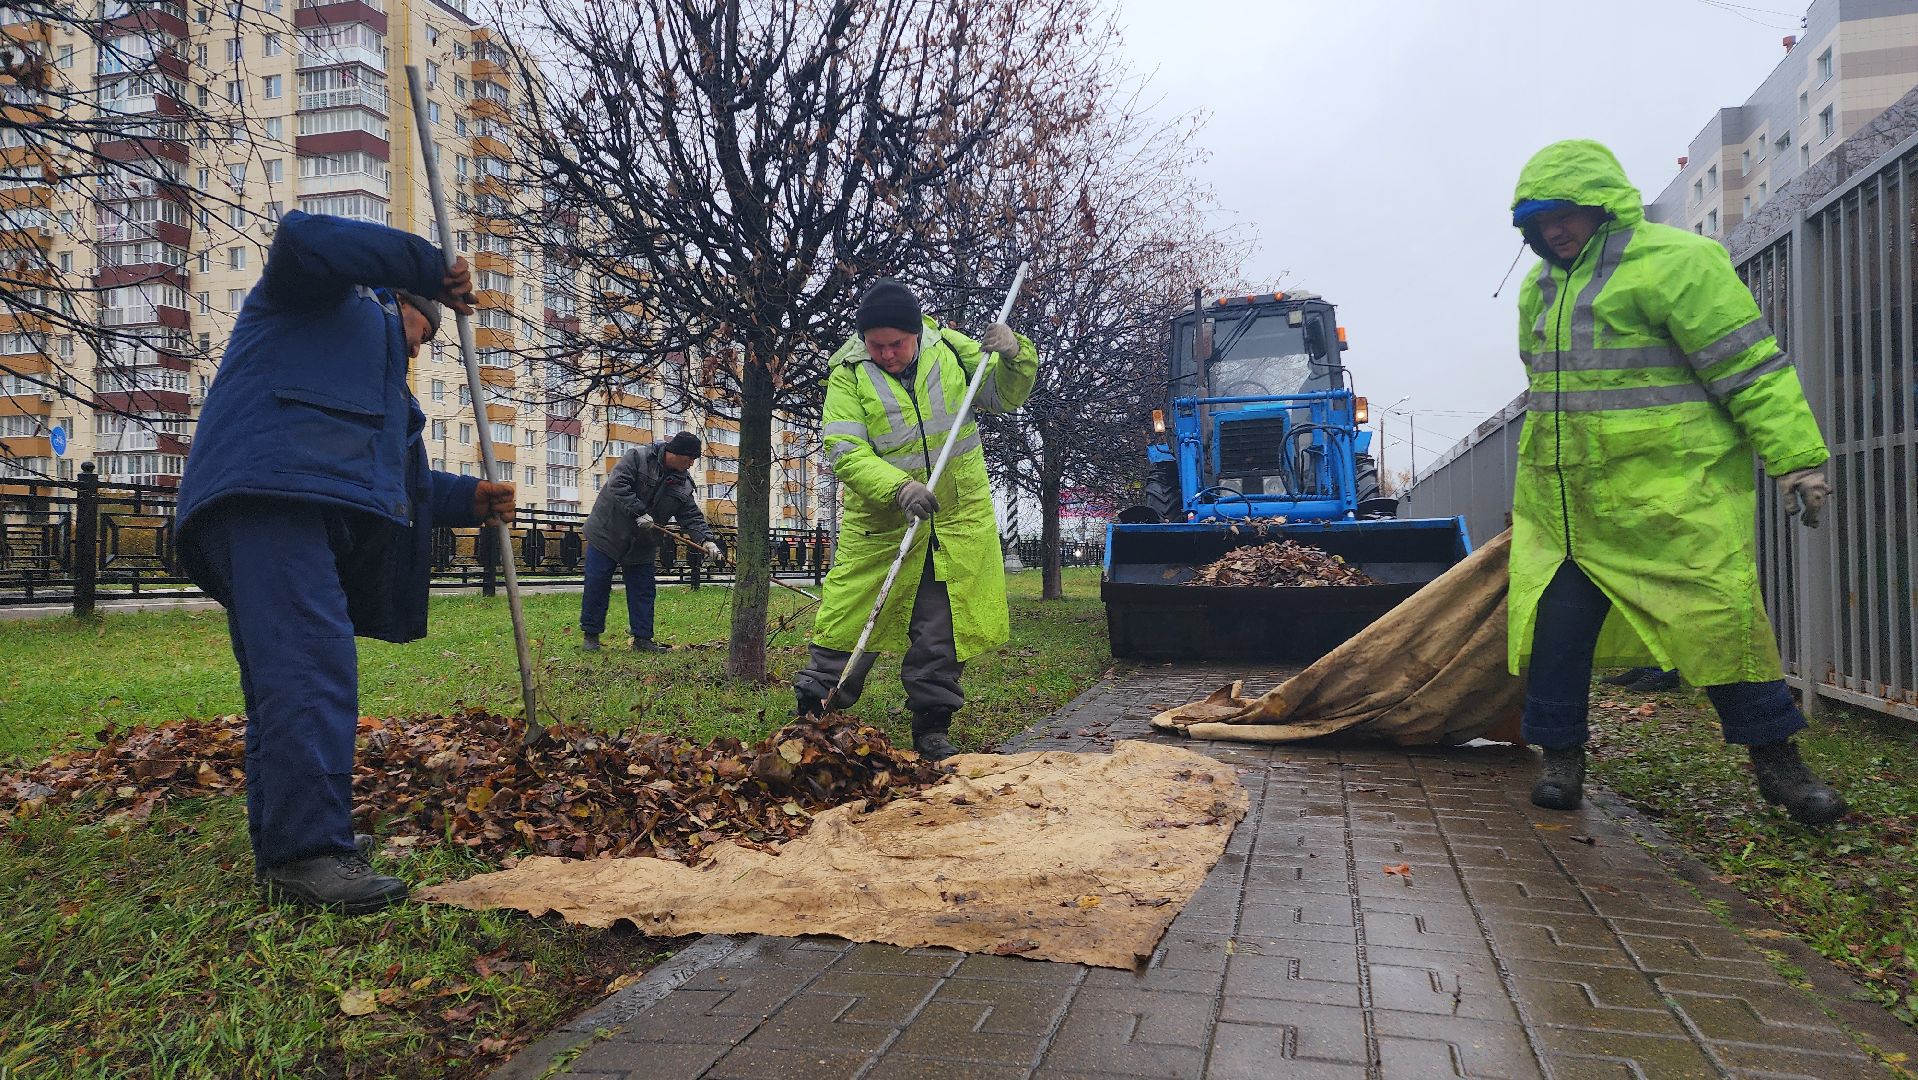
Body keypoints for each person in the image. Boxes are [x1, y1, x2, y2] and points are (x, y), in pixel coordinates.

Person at [174, 210, 516, 913]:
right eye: (424, 334)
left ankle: (294, 844)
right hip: (272, 497)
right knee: (311, 668)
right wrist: (425, 264)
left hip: (286, 503)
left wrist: (470, 500)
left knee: (288, 681)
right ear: (399, 303)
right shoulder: (316, 299)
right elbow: (304, 238)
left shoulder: (383, 393)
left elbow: (399, 475)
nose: (420, 353)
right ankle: (307, 853)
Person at [1507, 139, 1844, 825]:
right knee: (1557, 634)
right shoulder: (1537, 290)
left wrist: (1796, 458)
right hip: (1568, 512)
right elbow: (1548, 392)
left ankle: (1781, 768)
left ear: (1604, 207)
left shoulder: (1681, 264)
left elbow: (1750, 370)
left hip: (1672, 500)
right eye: (1540, 222)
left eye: (1566, 214)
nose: (1555, 231)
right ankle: (1562, 762)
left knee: (1724, 625)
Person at [793, 279, 1038, 761]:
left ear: (915, 334)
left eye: (896, 344)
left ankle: (932, 729)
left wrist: (1015, 355)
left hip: (952, 524)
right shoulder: (848, 375)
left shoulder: (951, 349)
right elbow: (845, 450)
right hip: (881, 524)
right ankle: (814, 721)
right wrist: (898, 488)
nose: (886, 354)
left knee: (937, 631)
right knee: (848, 619)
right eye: (876, 345)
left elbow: (1004, 396)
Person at [579, 431, 720, 651]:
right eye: (690, 458)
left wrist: (706, 540)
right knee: (597, 584)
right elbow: (617, 484)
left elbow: (691, 516)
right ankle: (591, 636)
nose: (692, 464)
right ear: (676, 453)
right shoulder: (637, 458)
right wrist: (638, 512)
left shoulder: (684, 484)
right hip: (607, 532)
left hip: (643, 542)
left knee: (643, 590)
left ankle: (643, 640)